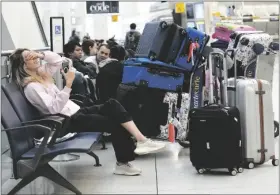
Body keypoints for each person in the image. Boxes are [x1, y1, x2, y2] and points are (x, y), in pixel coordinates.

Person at [9, 49, 166, 176]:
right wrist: (68, 84)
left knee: (112, 104)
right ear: (23, 65)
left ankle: (141, 140)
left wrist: (41, 54)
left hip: (74, 112)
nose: (35, 58)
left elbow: (58, 60)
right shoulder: (32, 87)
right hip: (64, 121)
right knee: (116, 122)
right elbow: (54, 109)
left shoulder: (41, 75)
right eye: (30, 57)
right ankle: (124, 162)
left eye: (33, 54)